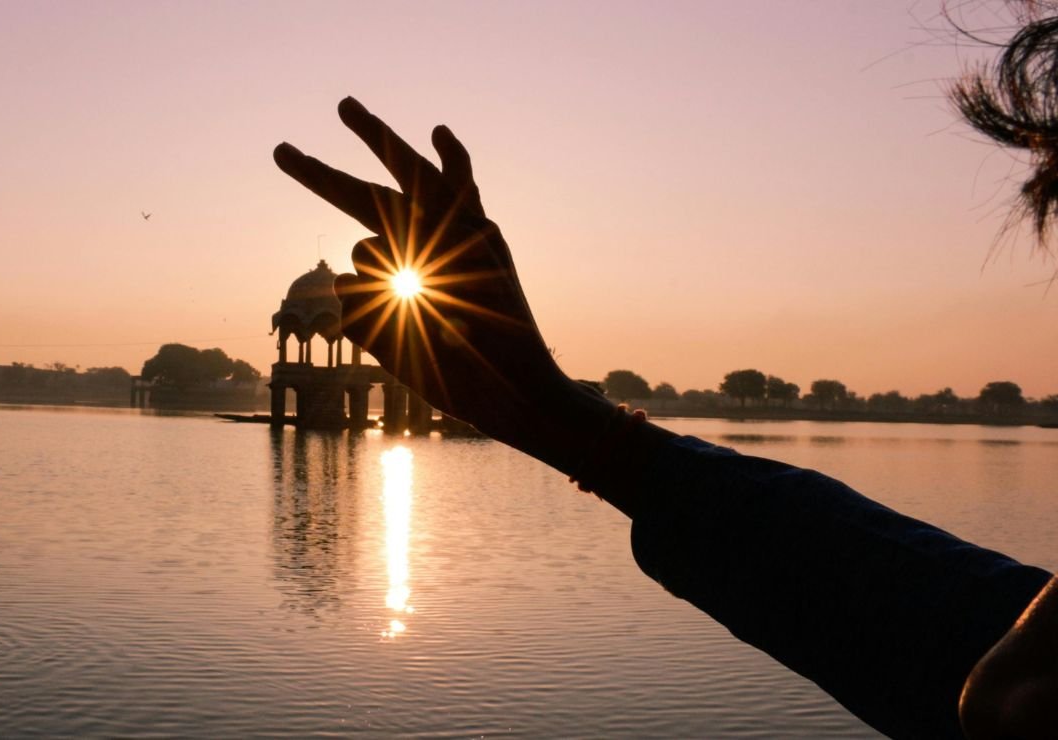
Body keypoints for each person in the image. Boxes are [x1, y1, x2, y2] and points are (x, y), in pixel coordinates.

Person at [274, 97, 1057, 739]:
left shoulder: (1014, 681)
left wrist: (569, 422)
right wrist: (560, 418)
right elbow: (947, 617)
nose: (999, 698)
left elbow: (955, 638)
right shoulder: (1013, 659)